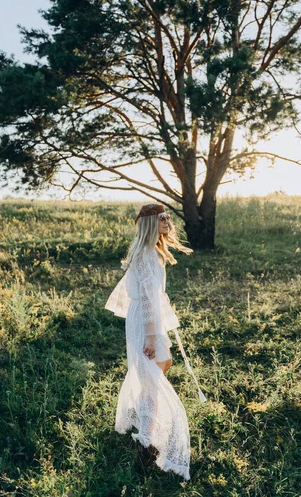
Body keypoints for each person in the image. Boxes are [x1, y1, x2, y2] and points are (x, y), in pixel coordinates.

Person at [104, 203, 206, 481]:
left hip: (147, 319)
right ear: (150, 223)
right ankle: (147, 443)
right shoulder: (147, 255)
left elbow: (150, 296)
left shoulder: (150, 253)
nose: (168, 221)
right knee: (152, 374)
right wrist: (150, 333)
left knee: (160, 366)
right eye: (162, 218)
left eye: (168, 217)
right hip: (145, 321)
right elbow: (148, 299)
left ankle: (144, 420)